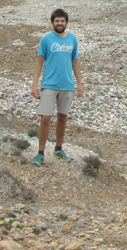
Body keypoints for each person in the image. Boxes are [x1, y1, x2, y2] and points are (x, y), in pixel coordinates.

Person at [30, 8, 84, 166]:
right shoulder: (46, 39)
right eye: (57, 21)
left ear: (66, 23)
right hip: (49, 85)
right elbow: (39, 61)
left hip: (67, 85)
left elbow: (75, 61)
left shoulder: (72, 39)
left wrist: (80, 83)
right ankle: (40, 153)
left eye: (62, 21)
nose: (59, 24)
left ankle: (58, 149)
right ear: (52, 23)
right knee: (45, 118)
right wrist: (35, 84)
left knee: (63, 117)